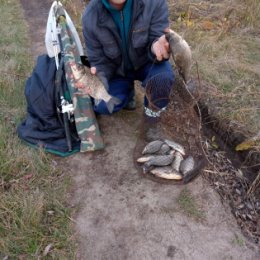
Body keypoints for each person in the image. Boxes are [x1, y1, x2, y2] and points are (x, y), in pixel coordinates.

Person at [82, 0, 175, 139]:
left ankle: (151, 120)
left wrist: (158, 45)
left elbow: (157, 37)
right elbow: (99, 62)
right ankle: (127, 92)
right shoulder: (90, 16)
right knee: (103, 106)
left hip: (147, 62)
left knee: (162, 78)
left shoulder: (154, 3)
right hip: (117, 71)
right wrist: (97, 81)